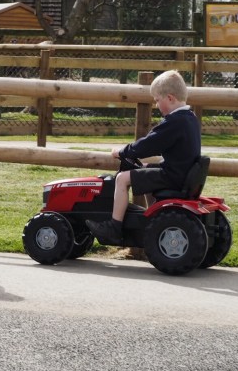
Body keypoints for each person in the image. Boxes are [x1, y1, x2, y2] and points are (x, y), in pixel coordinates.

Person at [86, 70, 201, 245]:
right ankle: (153, 217)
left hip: (172, 176)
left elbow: (148, 144)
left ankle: (114, 227)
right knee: (145, 171)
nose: (156, 105)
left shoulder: (174, 122)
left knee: (122, 179)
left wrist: (123, 152)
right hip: (181, 173)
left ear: (170, 98)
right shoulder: (190, 118)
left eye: (157, 100)